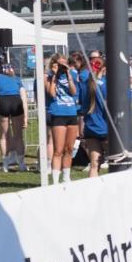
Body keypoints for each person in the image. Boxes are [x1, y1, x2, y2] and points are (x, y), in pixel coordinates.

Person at [46, 53, 79, 183]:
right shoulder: (50, 77)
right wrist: (55, 75)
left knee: (69, 148)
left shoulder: (72, 75)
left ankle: (66, 176)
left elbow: (74, 92)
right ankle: (55, 180)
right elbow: (52, 93)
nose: (62, 66)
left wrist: (69, 74)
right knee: (58, 149)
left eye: (63, 63)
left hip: (71, 113)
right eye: (59, 64)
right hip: (58, 113)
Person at [0, 62, 28, 171]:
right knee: (18, 136)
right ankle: (21, 164)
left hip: (2, 102)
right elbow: (24, 99)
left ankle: (5, 165)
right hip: (16, 101)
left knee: (3, 136)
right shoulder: (17, 79)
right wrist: (25, 116)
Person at [80, 56, 110, 178]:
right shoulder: (106, 85)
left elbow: (81, 106)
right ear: (104, 69)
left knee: (94, 165)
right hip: (106, 128)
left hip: (91, 128)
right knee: (116, 163)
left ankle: (92, 193)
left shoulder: (85, 84)